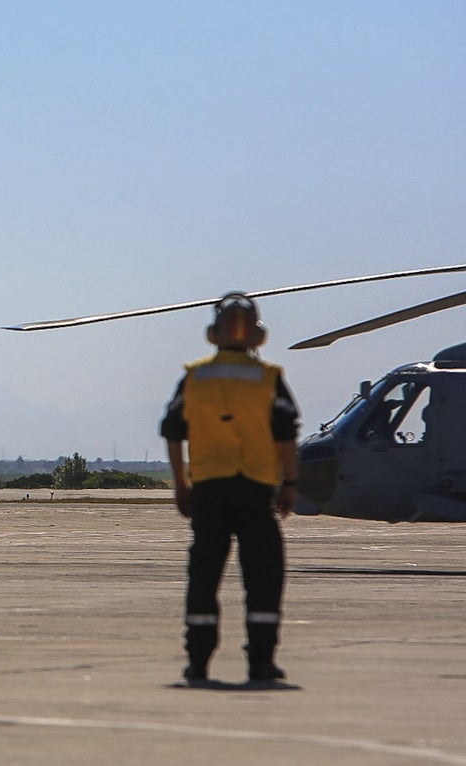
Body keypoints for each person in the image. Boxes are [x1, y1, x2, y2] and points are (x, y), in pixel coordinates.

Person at [159, 292, 300, 684]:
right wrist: (289, 483)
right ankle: (260, 661)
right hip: (255, 490)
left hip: (208, 489)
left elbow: (173, 433)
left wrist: (180, 484)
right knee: (264, 575)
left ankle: (198, 661)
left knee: (204, 575)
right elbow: (287, 436)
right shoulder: (268, 378)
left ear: (213, 333)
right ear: (258, 335)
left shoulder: (194, 376)